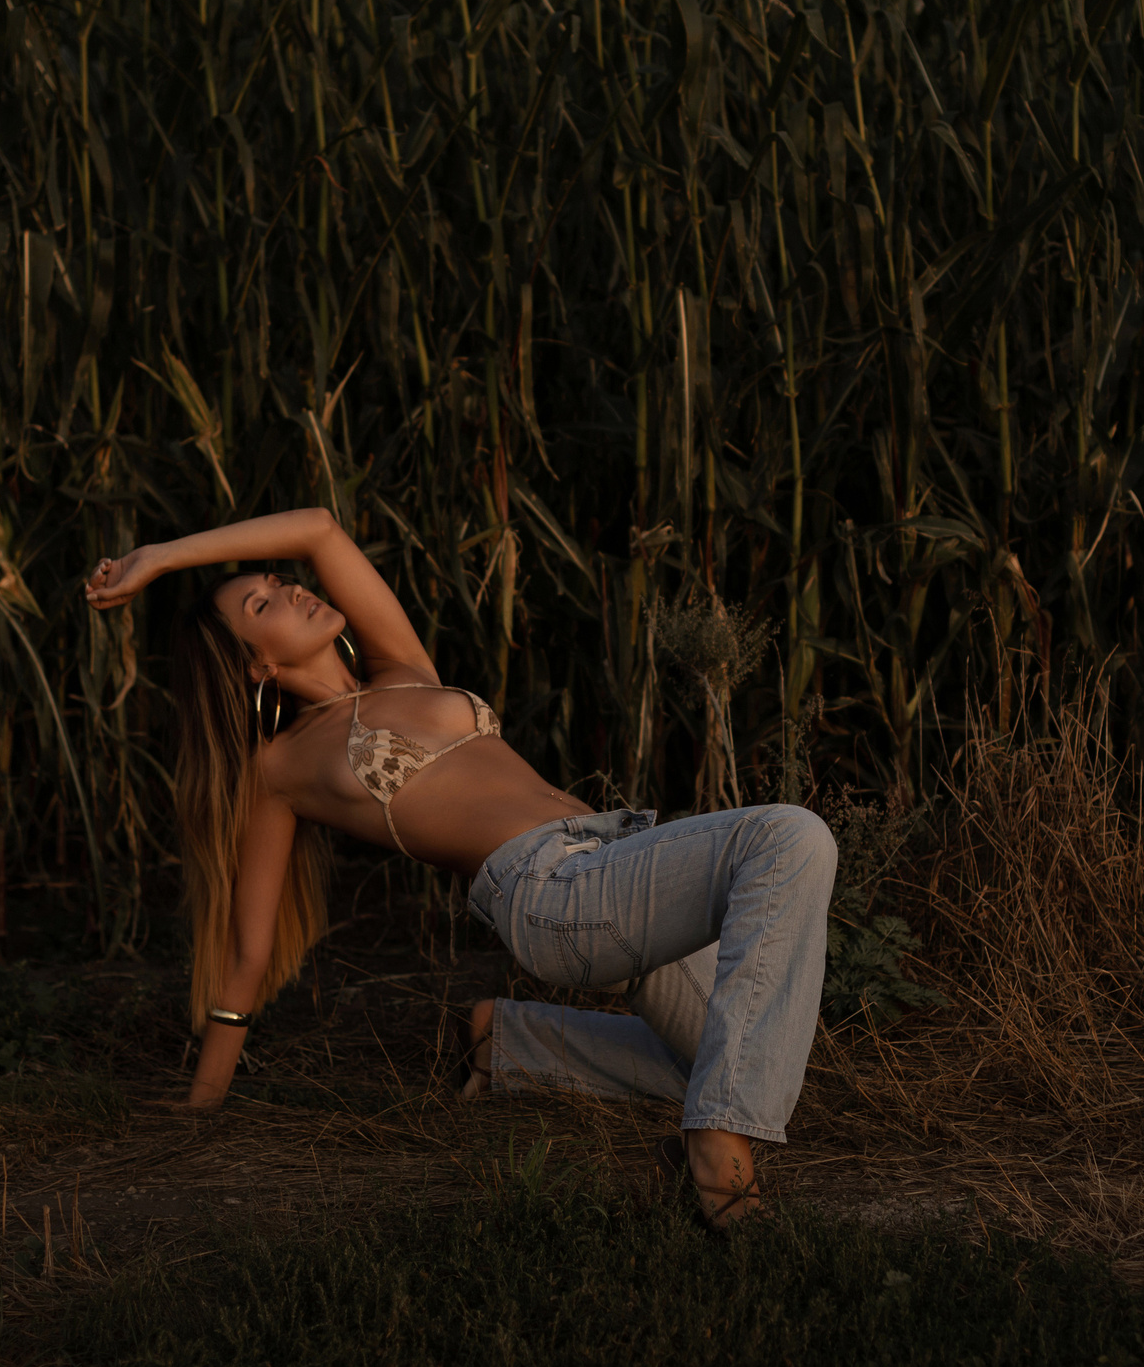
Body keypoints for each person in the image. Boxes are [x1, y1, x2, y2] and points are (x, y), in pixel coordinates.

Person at [83, 508, 835, 1227]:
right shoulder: (280, 768)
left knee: (745, 1047)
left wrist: (162, 553)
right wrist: (204, 1098)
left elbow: (318, 527)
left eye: (279, 582)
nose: (290, 589)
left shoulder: (404, 669)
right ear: (257, 665)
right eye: (262, 603)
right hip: (550, 893)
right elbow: (249, 952)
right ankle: (713, 1156)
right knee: (790, 838)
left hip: (613, 855)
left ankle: (511, 1041)